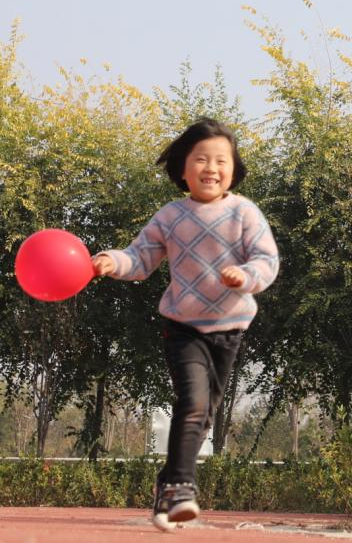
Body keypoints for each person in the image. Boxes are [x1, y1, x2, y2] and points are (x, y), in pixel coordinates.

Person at [92, 117, 279, 529]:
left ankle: (165, 491)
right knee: (192, 405)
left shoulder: (244, 212)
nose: (211, 168)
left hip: (230, 329)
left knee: (203, 415)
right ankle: (180, 486)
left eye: (220, 160)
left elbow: (267, 260)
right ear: (183, 168)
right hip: (184, 327)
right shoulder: (171, 216)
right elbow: (140, 256)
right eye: (200, 159)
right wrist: (112, 261)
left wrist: (245, 277)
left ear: (233, 168)